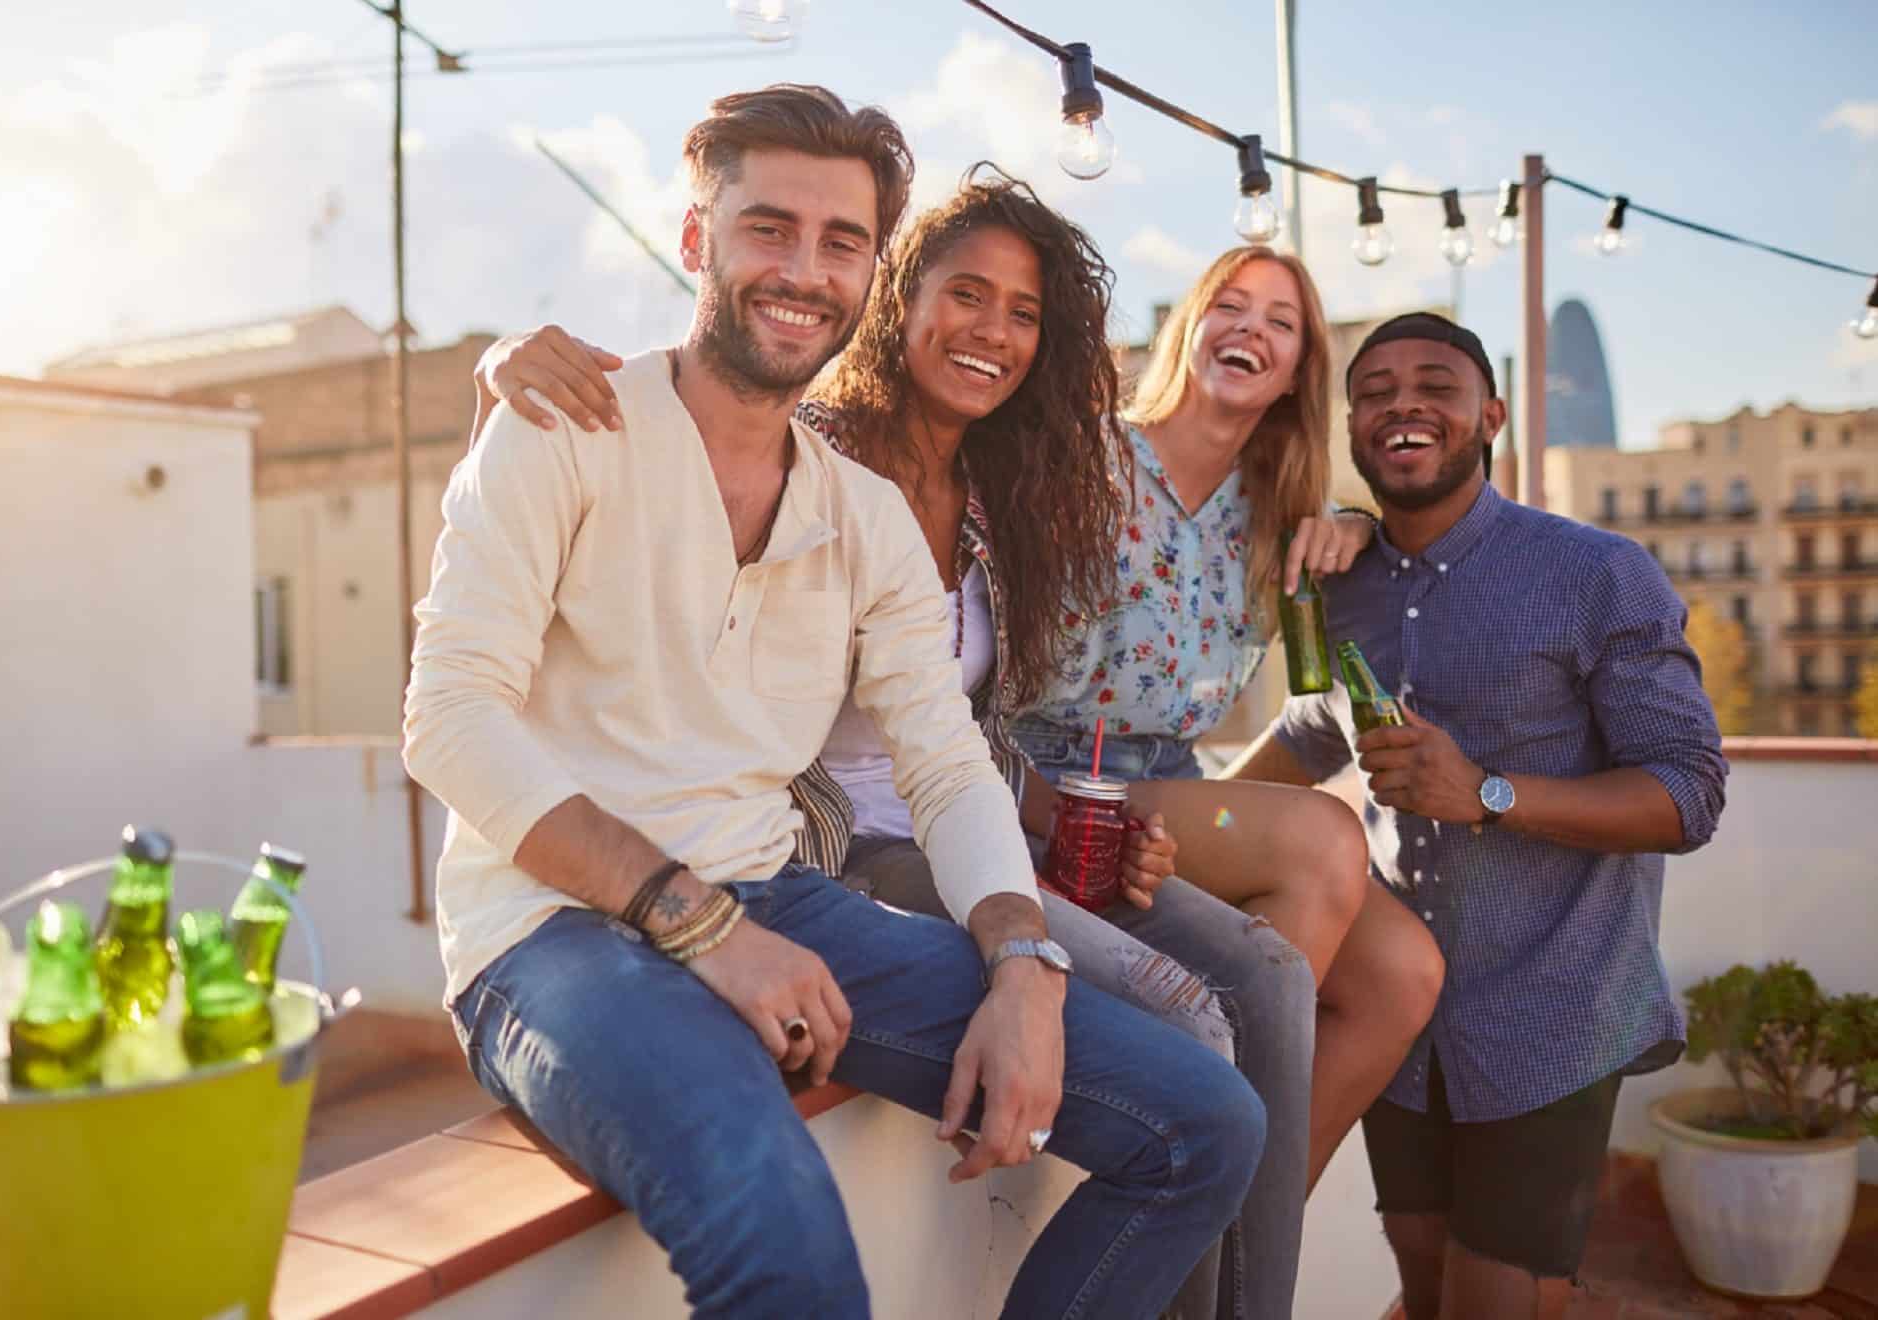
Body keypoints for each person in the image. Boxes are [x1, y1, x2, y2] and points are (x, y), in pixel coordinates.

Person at [404, 84, 1264, 1320]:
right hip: (552, 934)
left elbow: (947, 762)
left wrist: (1023, 965)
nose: (803, 269)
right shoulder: (563, 428)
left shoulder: (858, 514)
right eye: (770, 228)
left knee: (1206, 1124)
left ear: (868, 274)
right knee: (792, 1259)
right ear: (699, 241)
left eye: (842, 241)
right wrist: (698, 923)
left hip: (776, 895)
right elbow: (449, 718)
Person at [1221, 312, 1728, 1319]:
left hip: (1554, 1008)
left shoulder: (1596, 571)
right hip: (1399, 1021)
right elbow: (1313, 731)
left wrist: (1488, 794)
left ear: (1489, 414)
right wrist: (1187, 823)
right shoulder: (1344, 583)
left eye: (1436, 384)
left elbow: (1688, 791)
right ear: (1356, 426)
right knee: (1423, 1280)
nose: (1403, 402)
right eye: (1375, 390)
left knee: (1497, 1298)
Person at [1007, 247, 1448, 1193]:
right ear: (1190, 328)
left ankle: (1250, 1198)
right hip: (1041, 779)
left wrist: (1361, 523)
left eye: (1281, 323)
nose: (1251, 328)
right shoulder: (1081, 456)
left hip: (1168, 787)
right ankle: (1212, 1179)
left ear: (1295, 373)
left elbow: (1357, 593)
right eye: (1231, 306)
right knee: (1327, 840)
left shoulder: (1283, 518)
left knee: (1403, 971)